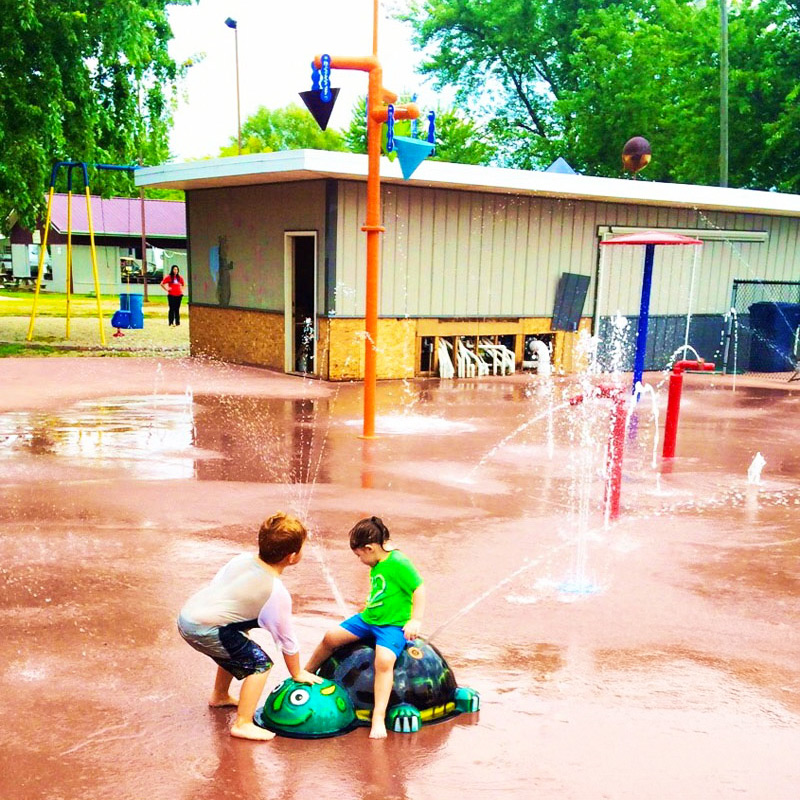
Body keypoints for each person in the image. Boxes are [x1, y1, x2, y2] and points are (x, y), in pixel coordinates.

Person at [177, 511, 321, 741]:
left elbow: (221, 589)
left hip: (188, 615)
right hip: (204, 630)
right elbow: (287, 640)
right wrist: (297, 672)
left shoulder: (241, 559)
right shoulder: (275, 592)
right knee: (259, 665)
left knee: (235, 641)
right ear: (292, 557)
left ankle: (220, 695)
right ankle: (243, 723)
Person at [305, 516, 425, 739]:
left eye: (359, 555)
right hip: (368, 620)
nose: (359, 559)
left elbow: (419, 588)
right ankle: (307, 671)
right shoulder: (379, 562)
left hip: (392, 626)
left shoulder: (398, 562)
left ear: (369, 548)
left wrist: (415, 620)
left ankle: (378, 716)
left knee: (384, 661)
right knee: (331, 637)